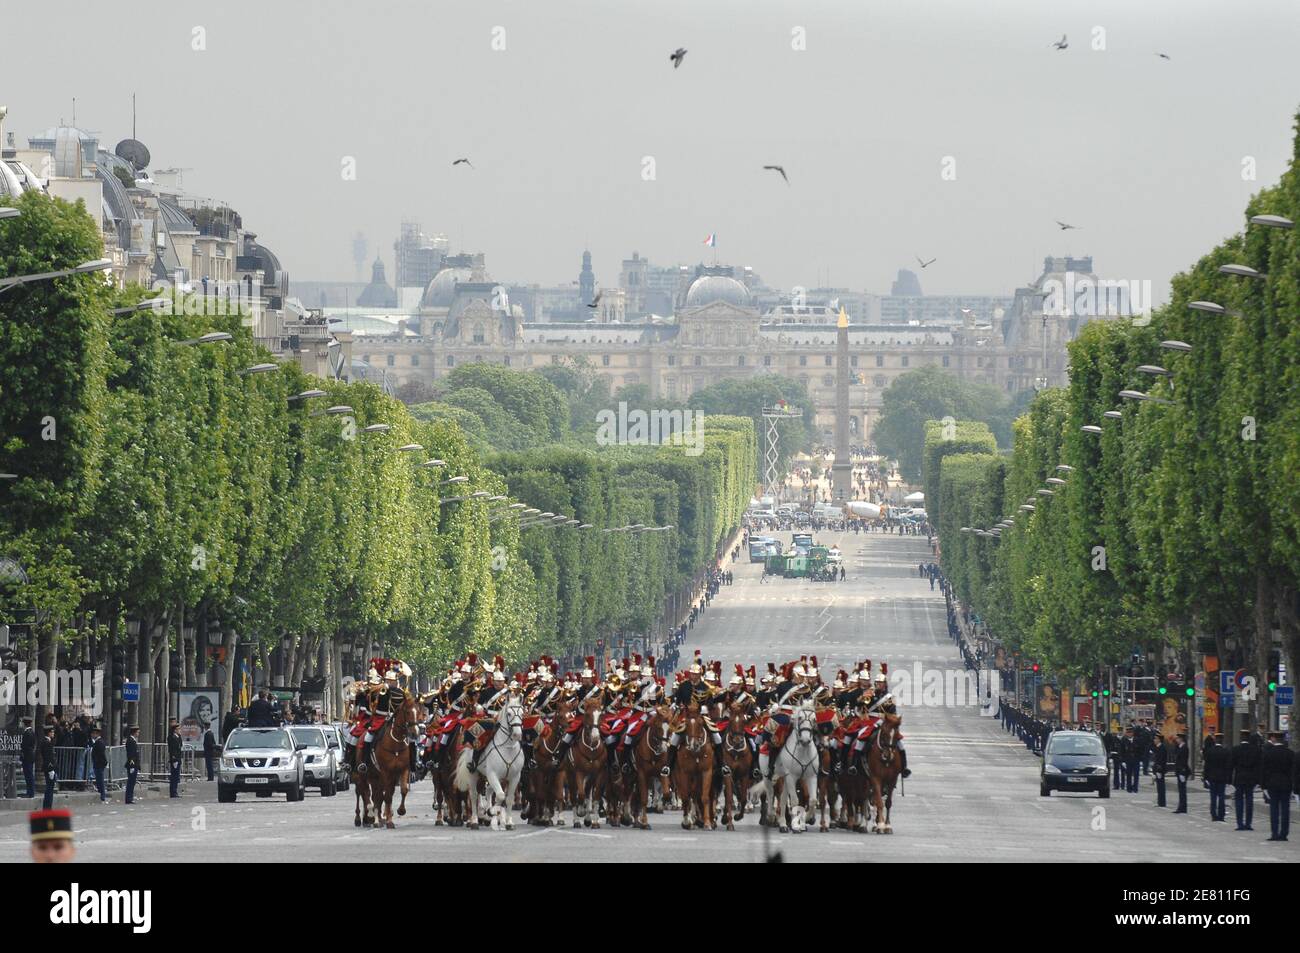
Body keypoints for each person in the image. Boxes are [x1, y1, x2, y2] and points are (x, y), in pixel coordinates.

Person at [1260, 730, 1293, 842]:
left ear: (1274, 738)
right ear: (1283, 739)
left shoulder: (1268, 753)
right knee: (1285, 809)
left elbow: (1264, 770)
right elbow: (1292, 771)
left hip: (1272, 784)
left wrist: (1263, 786)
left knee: (1274, 809)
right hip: (1286, 784)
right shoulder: (1289, 753)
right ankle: (1284, 834)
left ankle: (1274, 833)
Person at [1229, 728, 1260, 831]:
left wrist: (1230, 780)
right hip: (1251, 778)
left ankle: (1239, 823)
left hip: (1239, 778)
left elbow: (1231, 765)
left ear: (1241, 737)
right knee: (1249, 801)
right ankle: (1248, 823)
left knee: (1239, 801)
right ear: (1249, 737)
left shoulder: (1235, 749)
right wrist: (1257, 781)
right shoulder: (1255, 749)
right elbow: (1257, 766)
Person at [1203, 732, 1230, 821]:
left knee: (1213, 797)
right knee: (1221, 797)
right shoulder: (1225, 751)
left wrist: (1205, 778)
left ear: (1215, 740)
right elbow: (1227, 766)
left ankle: (1213, 815)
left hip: (1212, 777)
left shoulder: (1210, 751)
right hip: (1222, 778)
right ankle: (1221, 815)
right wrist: (1228, 779)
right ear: (1222, 740)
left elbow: (1207, 765)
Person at [39, 723, 57, 811]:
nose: (53, 733)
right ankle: (47, 807)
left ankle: (47, 807)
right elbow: (48, 757)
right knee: (49, 788)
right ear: (48, 733)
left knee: (50, 787)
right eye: (52, 732)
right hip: (49, 768)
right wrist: (51, 770)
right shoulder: (46, 743)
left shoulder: (47, 741)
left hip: (49, 767)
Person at [90, 724, 109, 803]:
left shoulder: (99, 742)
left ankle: (102, 796)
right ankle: (101, 795)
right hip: (98, 764)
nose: (92, 735)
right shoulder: (97, 742)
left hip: (99, 764)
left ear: (97, 734)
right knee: (99, 780)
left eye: (93, 733)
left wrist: (100, 762)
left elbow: (101, 754)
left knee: (100, 781)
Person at [1173, 732, 1190, 813]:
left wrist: (1182, 772)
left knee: (1182, 790)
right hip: (1179, 770)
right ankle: (1182, 806)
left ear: (1181, 739)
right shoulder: (1179, 747)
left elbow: (1183, 760)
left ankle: (1182, 807)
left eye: (1178, 738)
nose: (1176, 740)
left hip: (1182, 771)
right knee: (1180, 790)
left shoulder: (1184, 748)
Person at [19, 716, 36, 799]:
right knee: (29, 775)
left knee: (28, 775)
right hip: (30, 756)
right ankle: (30, 792)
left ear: (24, 723)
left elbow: (25, 746)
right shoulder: (31, 732)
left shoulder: (27, 733)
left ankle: (30, 792)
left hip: (27, 757)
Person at [124, 725, 140, 804]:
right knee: (131, 782)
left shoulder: (133, 740)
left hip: (134, 764)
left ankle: (130, 797)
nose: (138, 733)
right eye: (137, 732)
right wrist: (132, 765)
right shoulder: (130, 741)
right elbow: (131, 754)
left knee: (132, 782)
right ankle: (129, 798)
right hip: (132, 764)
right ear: (134, 733)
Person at [167, 719, 183, 798]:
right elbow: (172, 750)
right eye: (178, 729)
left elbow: (180, 746)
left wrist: (179, 736)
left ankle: (175, 791)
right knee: (174, 776)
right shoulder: (172, 737)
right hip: (175, 759)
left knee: (176, 776)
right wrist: (174, 759)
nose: (180, 730)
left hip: (178, 758)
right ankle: (173, 792)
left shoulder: (178, 737)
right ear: (175, 730)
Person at [1152, 733, 1168, 807]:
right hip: (1157, 769)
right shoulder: (1157, 747)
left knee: (1161, 786)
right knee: (1159, 786)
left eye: (1155, 738)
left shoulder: (1162, 748)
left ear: (1159, 739)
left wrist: (1159, 771)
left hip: (1160, 770)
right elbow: (1155, 760)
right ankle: (1160, 801)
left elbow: (1162, 760)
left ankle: (1162, 802)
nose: (1154, 740)